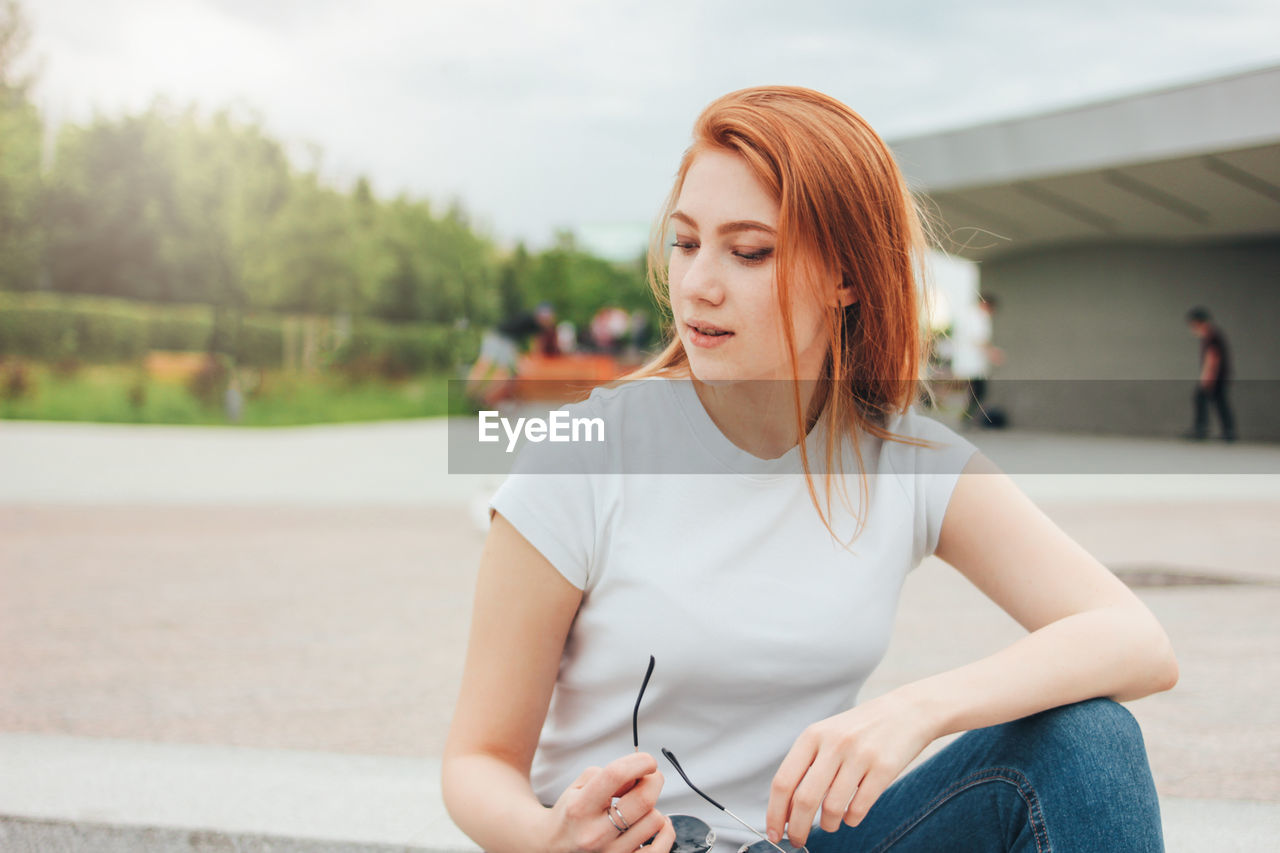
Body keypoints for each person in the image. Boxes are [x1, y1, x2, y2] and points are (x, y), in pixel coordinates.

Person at [443, 87, 1178, 853]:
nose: (698, 283)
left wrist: (914, 711)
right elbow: (477, 760)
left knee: (1088, 736)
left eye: (749, 250)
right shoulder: (583, 455)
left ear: (846, 277)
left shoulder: (905, 462)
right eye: (686, 243)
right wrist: (544, 837)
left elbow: (1134, 638)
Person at [1185, 307, 1236, 441]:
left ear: (1198, 323)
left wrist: (1207, 377)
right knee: (1219, 402)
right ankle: (1228, 431)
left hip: (1215, 376)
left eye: (1193, 325)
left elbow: (1213, 357)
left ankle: (1202, 429)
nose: (1193, 329)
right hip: (1218, 376)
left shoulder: (1211, 336)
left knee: (1202, 398)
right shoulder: (1212, 335)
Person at [954, 295, 1003, 427]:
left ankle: (968, 419)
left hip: (967, 364)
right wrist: (992, 353)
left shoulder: (969, 315)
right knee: (977, 393)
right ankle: (967, 419)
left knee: (973, 393)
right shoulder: (979, 317)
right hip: (973, 365)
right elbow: (979, 340)